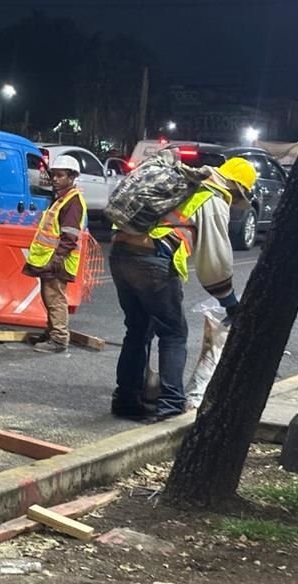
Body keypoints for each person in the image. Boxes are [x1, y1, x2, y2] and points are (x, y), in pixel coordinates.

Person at [109, 156, 258, 422]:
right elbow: (215, 258)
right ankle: (171, 404)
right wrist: (229, 302)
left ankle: (126, 400)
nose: (235, 204)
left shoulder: (183, 181)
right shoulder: (211, 198)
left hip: (120, 252)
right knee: (174, 333)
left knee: (137, 328)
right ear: (235, 187)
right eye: (238, 197)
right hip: (153, 261)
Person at [22, 155, 88, 353]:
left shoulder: (72, 202)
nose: (55, 179)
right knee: (48, 296)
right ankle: (51, 332)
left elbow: (70, 236)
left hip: (59, 261)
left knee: (54, 298)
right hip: (51, 259)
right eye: (53, 175)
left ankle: (59, 339)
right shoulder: (61, 199)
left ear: (72, 177)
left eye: (60, 175)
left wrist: (56, 259)